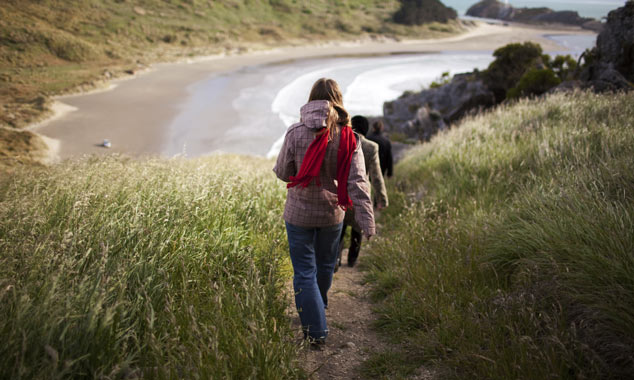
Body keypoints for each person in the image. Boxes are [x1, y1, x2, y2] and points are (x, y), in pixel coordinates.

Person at [273, 78, 375, 345]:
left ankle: (315, 329)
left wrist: (303, 172)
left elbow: (284, 173)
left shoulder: (295, 132)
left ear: (312, 99)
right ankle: (319, 305)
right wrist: (367, 220)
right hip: (332, 214)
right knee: (326, 265)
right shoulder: (348, 136)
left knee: (304, 271)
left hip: (298, 213)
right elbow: (358, 181)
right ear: (338, 99)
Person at [336, 115, 388, 269]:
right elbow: (376, 176)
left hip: (342, 192)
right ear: (366, 129)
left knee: (340, 228)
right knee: (358, 228)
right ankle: (352, 259)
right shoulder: (371, 147)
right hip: (361, 193)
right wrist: (382, 199)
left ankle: (335, 260)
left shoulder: (342, 141)